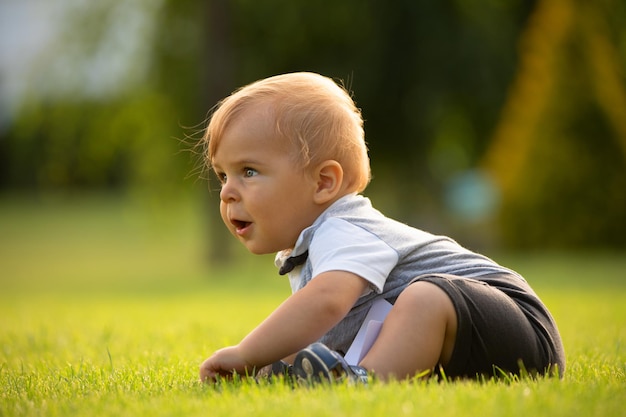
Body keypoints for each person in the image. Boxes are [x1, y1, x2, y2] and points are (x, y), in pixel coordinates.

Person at [198, 72, 565, 384]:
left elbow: (325, 305)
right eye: (222, 175)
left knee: (424, 298)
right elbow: (327, 327)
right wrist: (265, 367)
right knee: (397, 311)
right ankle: (340, 374)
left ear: (324, 182)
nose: (228, 192)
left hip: (519, 327)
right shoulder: (310, 248)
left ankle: (363, 381)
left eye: (249, 172)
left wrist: (246, 353)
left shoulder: (344, 229)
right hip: (473, 341)